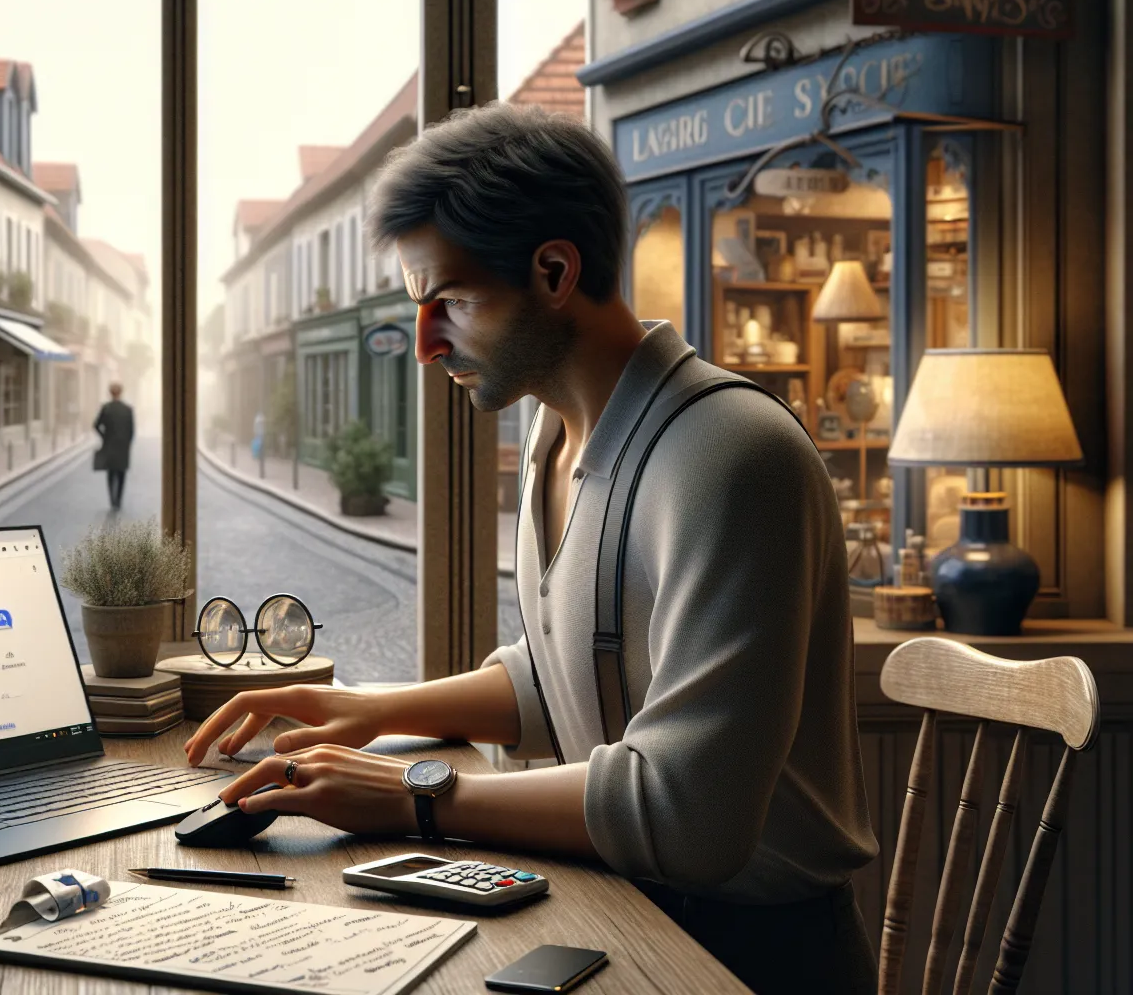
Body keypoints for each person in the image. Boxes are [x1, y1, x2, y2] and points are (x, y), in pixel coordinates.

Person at [182, 102, 877, 994]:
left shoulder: (732, 456)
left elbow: (690, 815)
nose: (427, 347)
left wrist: (412, 793)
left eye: (454, 301)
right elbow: (565, 670)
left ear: (554, 271)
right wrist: (369, 709)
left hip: (749, 960)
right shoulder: (556, 437)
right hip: (623, 914)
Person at [94, 382, 134, 510]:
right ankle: (119, 500)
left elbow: (96, 425)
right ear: (121, 392)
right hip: (123, 446)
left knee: (111, 473)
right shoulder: (128, 409)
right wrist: (127, 442)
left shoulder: (106, 408)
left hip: (109, 444)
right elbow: (132, 430)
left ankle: (112, 500)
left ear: (110, 393)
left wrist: (104, 436)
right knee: (122, 473)